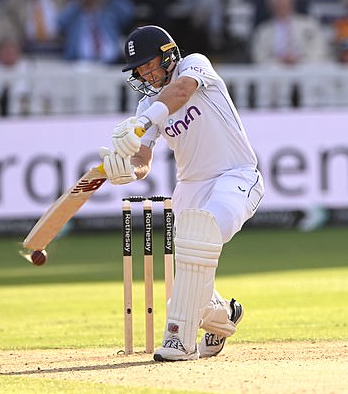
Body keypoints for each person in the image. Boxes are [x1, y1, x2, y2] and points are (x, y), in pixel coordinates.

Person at [99, 25, 265, 361]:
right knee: (190, 276)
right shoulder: (147, 105)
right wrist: (128, 171)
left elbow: (181, 92)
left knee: (201, 237)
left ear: (168, 55)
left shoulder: (194, 65)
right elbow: (143, 160)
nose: (146, 74)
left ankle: (180, 341)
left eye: (150, 65)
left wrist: (144, 122)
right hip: (189, 187)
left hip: (235, 174)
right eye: (140, 70)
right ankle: (223, 317)